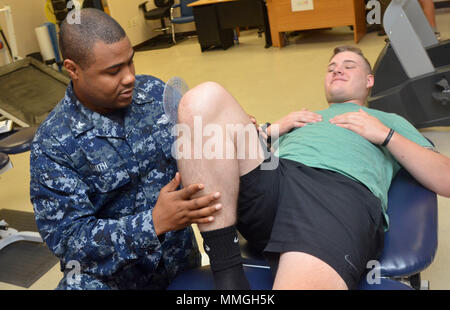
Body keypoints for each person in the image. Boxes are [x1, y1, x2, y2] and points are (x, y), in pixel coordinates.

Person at [175, 46, 450, 290]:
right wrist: (271, 131)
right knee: (202, 100)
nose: (337, 70)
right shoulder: (304, 118)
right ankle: (228, 275)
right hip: (279, 175)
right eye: (331, 68)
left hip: (336, 191)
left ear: (369, 81)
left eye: (348, 66)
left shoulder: (388, 120)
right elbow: (233, 156)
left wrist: (385, 135)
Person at [29, 8, 222, 290]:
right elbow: (69, 240)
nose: (130, 77)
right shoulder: (54, 144)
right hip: (114, 280)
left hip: (179, 267)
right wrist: (152, 223)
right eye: (113, 71)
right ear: (73, 69)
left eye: (130, 62)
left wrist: (255, 130)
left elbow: (199, 143)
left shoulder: (153, 94)